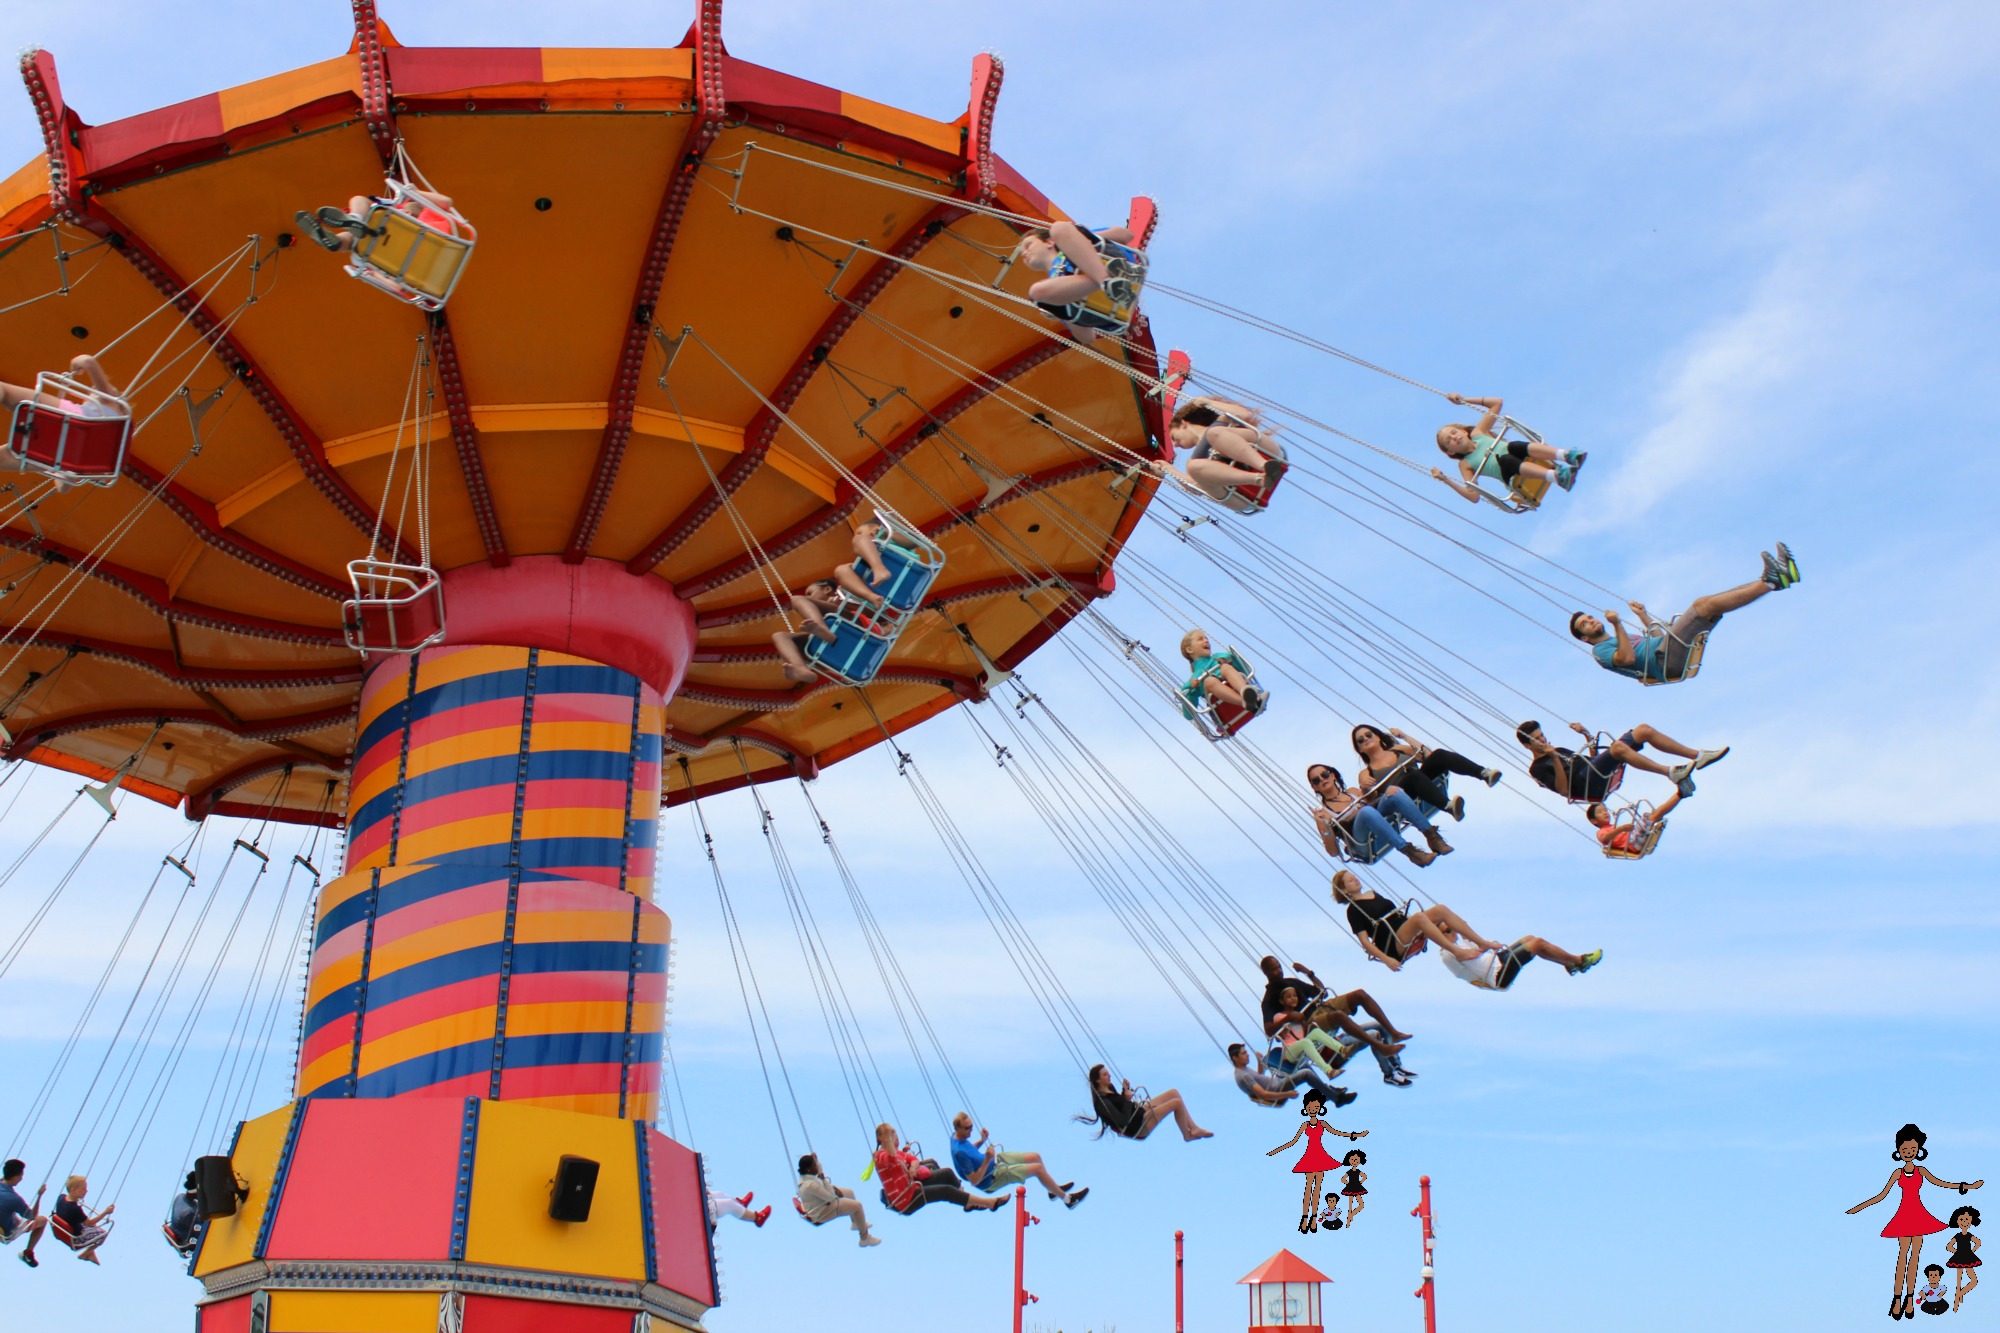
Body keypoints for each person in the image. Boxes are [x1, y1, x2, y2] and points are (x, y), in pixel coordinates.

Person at [1570, 545, 1799, 685]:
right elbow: (1628, 660)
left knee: (1712, 604)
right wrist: (1618, 623)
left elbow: (1658, 639)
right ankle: (1771, 581)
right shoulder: (1600, 651)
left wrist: (1643, 617)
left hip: (1666, 649)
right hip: (1665, 663)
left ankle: (1777, 578)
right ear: (1585, 638)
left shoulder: (1617, 639)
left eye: (1589, 617)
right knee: (1701, 605)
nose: (1591, 621)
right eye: (1585, 624)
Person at [1847, 1123, 1984, 1320]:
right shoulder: (1897, 1173)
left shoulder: (1921, 1171)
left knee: (1914, 1259)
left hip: (1918, 1216)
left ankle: (1909, 1299)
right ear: (1898, 1151)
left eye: (1912, 1149)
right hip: (1904, 1216)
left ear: (1919, 1149)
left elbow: (1942, 1183)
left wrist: (1966, 1186)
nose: (1909, 1152)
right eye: (1904, 1150)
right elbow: (1881, 1196)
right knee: (1902, 1258)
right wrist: (1858, 1208)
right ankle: (1896, 1299)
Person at [1256, 955, 1412, 1075]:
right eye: (1274, 969)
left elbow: (1320, 992)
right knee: (1338, 1016)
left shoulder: (1291, 982)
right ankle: (1380, 1046)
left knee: (1360, 994)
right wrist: (1289, 1017)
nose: (1279, 971)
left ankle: (1393, 1032)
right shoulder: (1269, 998)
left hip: (1322, 1007)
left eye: (1279, 967)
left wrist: (1307, 972)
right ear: (1266, 972)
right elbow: (1269, 1030)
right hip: (1309, 1023)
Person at [1515, 719, 1726, 803]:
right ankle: (1669, 772)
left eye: (1542, 735)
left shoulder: (1558, 749)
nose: (1543, 740)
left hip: (1592, 771)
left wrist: (1587, 736)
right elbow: (1563, 790)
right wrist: (1552, 757)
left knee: (1642, 730)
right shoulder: (1537, 768)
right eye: (1537, 739)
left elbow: (1594, 760)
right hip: (1585, 784)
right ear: (1528, 745)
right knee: (1617, 748)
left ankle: (1698, 756)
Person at [1330, 870, 1499, 972]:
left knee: (1440, 909)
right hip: (1392, 942)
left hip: (1403, 926)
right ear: (1345, 890)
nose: (1356, 880)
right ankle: (1457, 952)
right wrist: (1387, 960)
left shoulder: (1373, 893)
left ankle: (1481, 942)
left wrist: (1437, 923)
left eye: (1354, 877)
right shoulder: (1353, 910)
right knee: (1419, 918)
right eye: (1350, 880)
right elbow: (1364, 942)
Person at [1429, 393, 1584, 501]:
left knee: (1514, 446)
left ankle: (1566, 455)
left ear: (1462, 431)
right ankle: (1557, 477)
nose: (1454, 437)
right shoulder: (1465, 464)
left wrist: (1464, 400)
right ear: (1450, 451)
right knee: (1506, 459)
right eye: (1449, 441)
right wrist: (1445, 479)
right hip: (1511, 474)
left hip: (1520, 457)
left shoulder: (1479, 432)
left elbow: (1497, 403)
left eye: (1454, 432)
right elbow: (1474, 496)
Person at [1016, 221, 1148, 344]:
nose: (1025, 253)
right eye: (1022, 254)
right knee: (1036, 292)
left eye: (1028, 245)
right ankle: (1110, 279)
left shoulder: (1071, 240)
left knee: (1059, 228)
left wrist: (1083, 240)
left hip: (1107, 258)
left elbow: (1126, 235)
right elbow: (1087, 337)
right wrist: (1058, 312)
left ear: (1049, 242)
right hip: (1099, 309)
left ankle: (1105, 279)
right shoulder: (1054, 288)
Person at [1350, 724, 1499, 821]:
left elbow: (1427, 755)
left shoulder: (1399, 750)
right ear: (1360, 749)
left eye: (1368, 735)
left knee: (1439, 754)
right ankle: (1448, 806)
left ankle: (1484, 774)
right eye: (1360, 740)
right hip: (1401, 795)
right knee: (1411, 776)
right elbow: (1372, 799)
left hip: (1420, 781)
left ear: (1377, 736)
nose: (1365, 739)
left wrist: (1403, 736)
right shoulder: (1366, 772)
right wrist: (1365, 788)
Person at [1265, 1091, 1365, 1235]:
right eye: (1311, 1107)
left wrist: (1354, 1135)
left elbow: (1337, 1132)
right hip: (1310, 1156)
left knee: (1316, 1189)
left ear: (1320, 1108)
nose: (1313, 1109)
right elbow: (1293, 1142)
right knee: (1308, 1189)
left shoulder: (1322, 1123)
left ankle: (1313, 1218)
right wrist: (1277, 1150)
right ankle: (1304, 1218)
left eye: (1316, 1107)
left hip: (1320, 1155)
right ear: (1306, 1108)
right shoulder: (1305, 1125)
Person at [1309, 761, 1441, 866]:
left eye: (1324, 775)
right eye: (1316, 780)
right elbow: (1333, 852)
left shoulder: (1353, 792)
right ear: (1314, 787)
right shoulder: (1323, 814)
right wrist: (1325, 828)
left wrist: (1367, 789)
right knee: (1365, 811)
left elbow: (1373, 802)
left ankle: (1432, 835)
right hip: (1361, 840)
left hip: (1376, 821)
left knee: (1393, 791)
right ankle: (1411, 852)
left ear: (1332, 776)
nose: (1322, 779)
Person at [1157, 396, 1287, 502]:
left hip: (1263, 450)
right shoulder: (1197, 460)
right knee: (1193, 466)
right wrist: (1169, 469)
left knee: (1215, 433)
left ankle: (1265, 466)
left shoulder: (1222, 423)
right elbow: (1195, 488)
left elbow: (1243, 414)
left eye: (1174, 437)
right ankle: (1260, 478)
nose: (1175, 444)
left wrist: (1209, 402)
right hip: (1240, 494)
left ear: (1184, 424)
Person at [948, 1112, 1086, 1209]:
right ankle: (1068, 1199)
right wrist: (987, 1159)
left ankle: (1052, 1190)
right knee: (1037, 1168)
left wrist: (982, 1141)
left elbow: (970, 1151)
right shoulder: (959, 1152)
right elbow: (974, 1181)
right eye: (967, 1128)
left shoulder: (957, 1137)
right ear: (958, 1128)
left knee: (1035, 1157)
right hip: (990, 1178)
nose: (971, 1131)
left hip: (992, 1161)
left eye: (972, 1126)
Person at [872, 1123, 1006, 1215]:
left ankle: (967, 1201)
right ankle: (990, 1203)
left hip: (912, 1187)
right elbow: (891, 1159)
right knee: (946, 1191)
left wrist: (913, 1167)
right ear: (880, 1138)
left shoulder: (899, 1153)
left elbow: (913, 1160)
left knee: (946, 1173)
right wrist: (889, 1142)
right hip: (905, 1199)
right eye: (890, 1134)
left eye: (894, 1132)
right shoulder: (880, 1156)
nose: (894, 1136)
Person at [295, 183, 459, 253]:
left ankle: (354, 220)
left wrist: (413, 191)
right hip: (384, 241)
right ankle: (336, 239)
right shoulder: (437, 230)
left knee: (359, 200)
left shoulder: (413, 214)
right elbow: (447, 202)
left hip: (386, 231)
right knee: (357, 241)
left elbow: (446, 202)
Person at [1431, 923, 1602, 989]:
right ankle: (1579, 961)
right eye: (1449, 930)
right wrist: (1485, 946)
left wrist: (1468, 934)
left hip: (1498, 960)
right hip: (1496, 973)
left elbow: (1476, 945)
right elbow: (1468, 959)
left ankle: (1568, 963)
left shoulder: (1460, 943)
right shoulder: (1448, 953)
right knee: (1538, 944)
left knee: (1530, 939)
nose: (1454, 932)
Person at [1076, 1065, 1212, 1142]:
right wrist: (1127, 1099)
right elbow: (1122, 1120)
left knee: (1173, 1093)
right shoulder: (1102, 1103)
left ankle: (1193, 1127)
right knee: (1176, 1103)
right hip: (1137, 1126)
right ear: (1098, 1081)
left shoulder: (1109, 1089)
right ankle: (1187, 1135)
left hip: (1139, 1112)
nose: (1109, 1076)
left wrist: (1124, 1091)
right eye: (1105, 1075)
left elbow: (1122, 1102)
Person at [1227, 1042, 1356, 1109]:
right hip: (1276, 1089)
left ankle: (1327, 1092)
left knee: (1300, 1064)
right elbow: (1263, 1094)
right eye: (1244, 1053)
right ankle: (1337, 1099)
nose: (1247, 1055)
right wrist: (1287, 1094)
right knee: (1306, 1074)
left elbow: (1259, 1077)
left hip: (1276, 1081)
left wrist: (1260, 1063)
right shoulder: (1242, 1075)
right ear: (1235, 1058)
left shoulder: (1244, 1069)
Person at [1179, 629, 1268, 718]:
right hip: (1220, 709)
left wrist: (1230, 660)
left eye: (1206, 638)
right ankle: (1247, 702)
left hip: (1234, 689)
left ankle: (1248, 694)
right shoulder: (1194, 679)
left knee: (1225, 667)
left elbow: (1245, 669)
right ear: (1190, 649)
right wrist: (1190, 690)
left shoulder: (1218, 657)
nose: (1206, 640)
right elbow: (1188, 715)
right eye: (1200, 639)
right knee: (1209, 681)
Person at [795, 1155, 880, 1247]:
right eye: (815, 1165)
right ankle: (864, 1238)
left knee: (849, 1193)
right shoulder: (811, 1185)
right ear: (809, 1169)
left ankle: (855, 1223)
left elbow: (823, 1189)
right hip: (822, 1211)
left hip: (822, 1201)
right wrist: (825, 1181)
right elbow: (831, 1197)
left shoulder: (807, 1176)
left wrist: (815, 1159)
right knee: (857, 1206)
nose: (818, 1166)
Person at [771, 578, 844, 683]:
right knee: (779, 636)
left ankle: (822, 628)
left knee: (797, 599)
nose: (808, 597)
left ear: (827, 589)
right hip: (832, 643)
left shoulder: (841, 596)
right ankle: (800, 668)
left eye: (810, 593)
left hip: (850, 621)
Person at [1586, 788, 1683, 855]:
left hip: (1634, 838)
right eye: (1600, 812)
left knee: (1655, 813)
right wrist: (1621, 829)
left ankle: (1680, 792)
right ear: (1594, 821)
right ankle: (1681, 793)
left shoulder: (1612, 826)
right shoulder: (1601, 832)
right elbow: (1605, 838)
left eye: (1605, 810)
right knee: (1654, 817)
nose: (1605, 813)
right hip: (1633, 843)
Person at [51, 1174, 113, 1264]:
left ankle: (91, 1253)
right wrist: (105, 1212)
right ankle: (85, 1254)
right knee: (103, 1233)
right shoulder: (75, 1209)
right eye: (83, 1189)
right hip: (76, 1237)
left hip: (66, 1228)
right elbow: (88, 1222)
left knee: (94, 1226)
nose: (86, 1191)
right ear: (73, 1190)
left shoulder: (61, 1197)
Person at [1, 1158, 47, 1267]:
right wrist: (39, 1195)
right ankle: (28, 1253)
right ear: (16, 1177)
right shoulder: (14, 1199)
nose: (22, 1178)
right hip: (7, 1232)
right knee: (43, 1220)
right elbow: (32, 1216)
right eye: (21, 1176)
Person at [1947, 1204, 1982, 1311]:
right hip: (1962, 1257)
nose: (1964, 1222)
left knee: (1971, 1280)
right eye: (1961, 1219)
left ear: (1971, 1221)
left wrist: (1970, 1252)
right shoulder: (1958, 1236)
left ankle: (1959, 1294)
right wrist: (1959, 1252)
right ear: (1957, 1221)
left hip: (1964, 1257)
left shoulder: (1968, 1235)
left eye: (1967, 1219)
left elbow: (1978, 1242)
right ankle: (1957, 1300)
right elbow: (1949, 1246)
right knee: (1959, 1281)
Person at [164, 1171, 200, 1257]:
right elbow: (205, 1229)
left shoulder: (180, 1197)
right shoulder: (189, 1213)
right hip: (188, 1240)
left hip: (180, 1230)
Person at [706, 1188, 770, 1230]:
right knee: (730, 1204)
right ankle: (757, 1218)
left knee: (719, 1194)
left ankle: (740, 1204)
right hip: (707, 1210)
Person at [1337, 1148, 1369, 1229]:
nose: (1354, 1161)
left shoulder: (1358, 1171)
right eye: (1352, 1159)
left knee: (1360, 1204)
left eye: (1356, 1160)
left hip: (1355, 1187)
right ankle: (1348, 1221)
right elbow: (1343, 1179)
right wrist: (1349, 1184)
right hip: (1352, 1187)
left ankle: (1351, 1215)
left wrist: (1360, 1183)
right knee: (1350, 1205)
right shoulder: (1349, 1172)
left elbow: (1364, 1177)